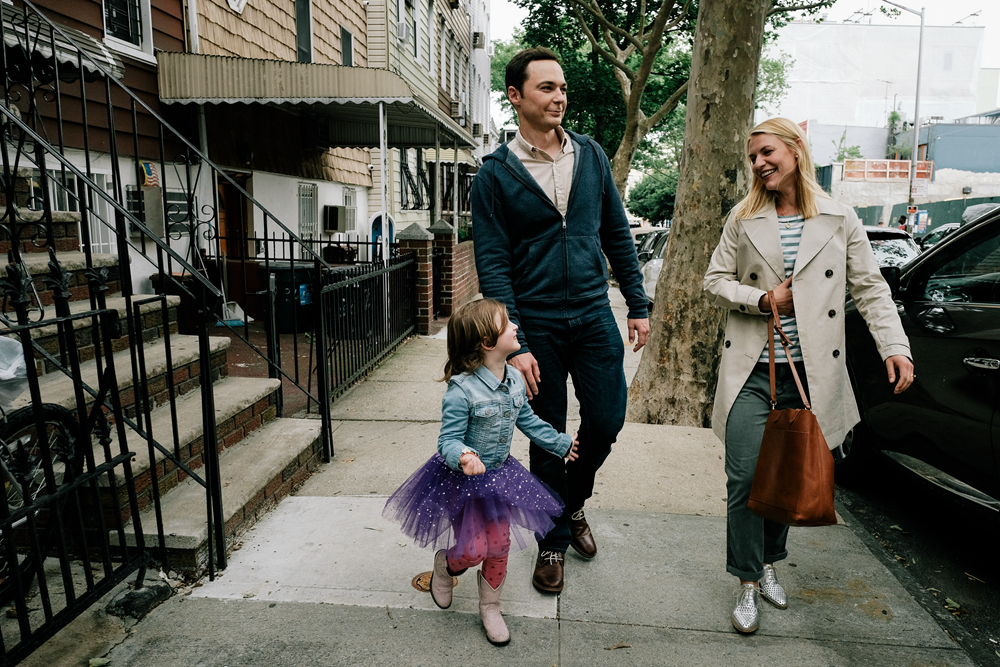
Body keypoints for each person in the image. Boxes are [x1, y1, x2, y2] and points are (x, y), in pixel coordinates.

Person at [703, 117, 914, 634]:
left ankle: (771, 561)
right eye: (753, 157)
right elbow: (714, 280)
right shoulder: (743, 217)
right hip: (753, 371)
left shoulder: (840, 217)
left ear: (796, 149)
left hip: (808, 374)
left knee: (786, 475)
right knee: (745, 477)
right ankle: (747, 580)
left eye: (767, 152)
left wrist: (895, 346)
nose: (759, 164)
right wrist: (762, 299)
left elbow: (870, 288)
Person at [471, 47, 649, 593]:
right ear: (516, 96)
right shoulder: (495, 175)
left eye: (562, 87)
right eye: (546, 87)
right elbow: (494, 265)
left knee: (607, 419)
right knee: (548, 435)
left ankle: (570, 504)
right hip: (537, 324)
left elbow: (616, 231)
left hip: (594, 313)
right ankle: (552, 540)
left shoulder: (590, 155)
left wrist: (638, 303)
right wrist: (516, 342)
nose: (559, 97)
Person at [382, 299, 579, 646]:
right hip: (464, 482)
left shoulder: (514, 379)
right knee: (473, 550)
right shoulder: (462, 390)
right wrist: (465, 456)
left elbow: (528, 420)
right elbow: (448, 439)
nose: (515, 326)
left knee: (499, 545)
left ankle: (490, 607)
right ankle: (444, 566)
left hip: (501, 477)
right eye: (507, 323)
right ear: (488, 342)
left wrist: (560, 443)